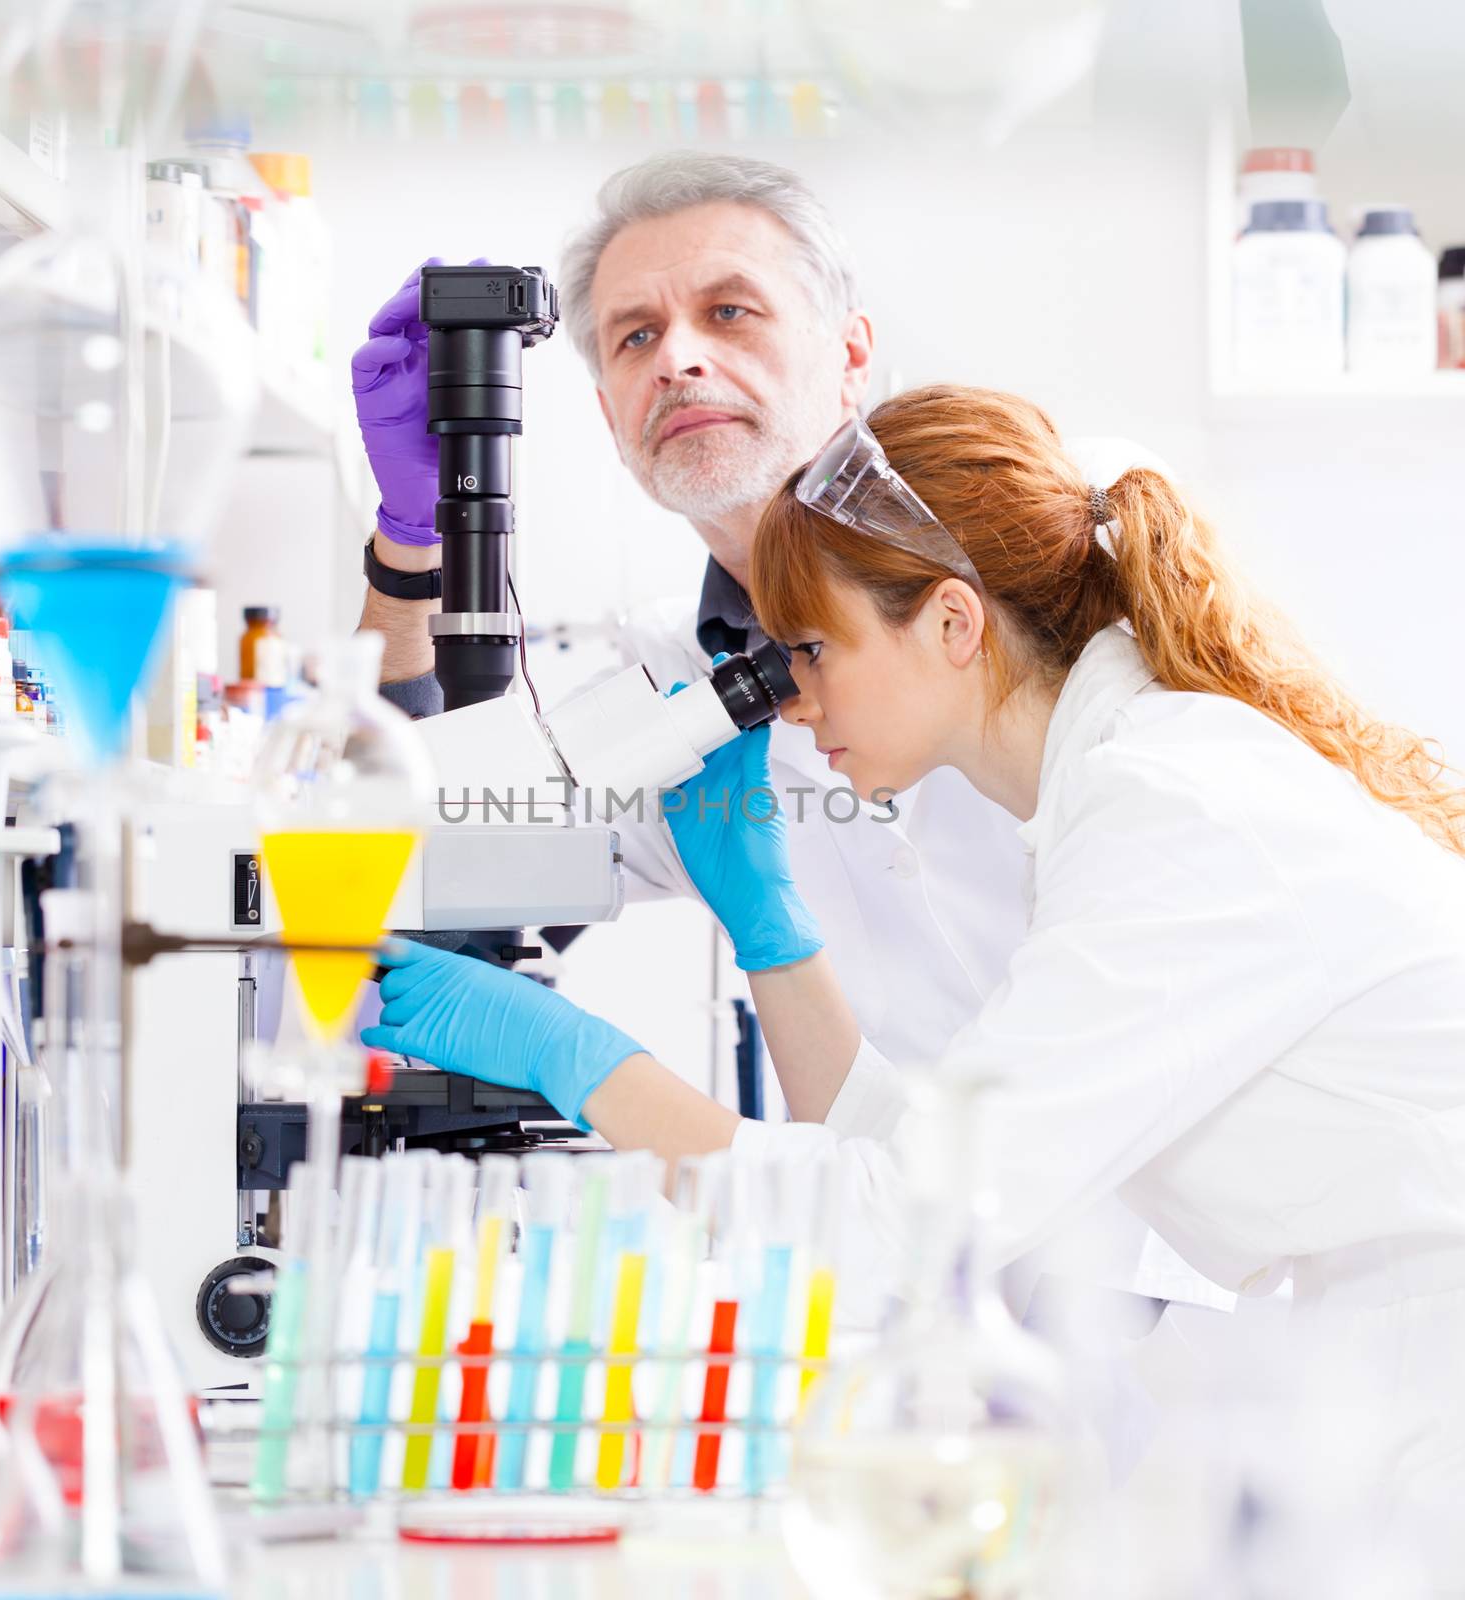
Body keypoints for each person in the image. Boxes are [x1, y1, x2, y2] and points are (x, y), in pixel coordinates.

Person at [361, 385, 1465, 1410]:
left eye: (810, 650)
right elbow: (942, 1161)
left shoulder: (1175, 818)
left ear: (951, 622)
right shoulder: (1118, 786)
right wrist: (773, 935)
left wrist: (580, 1059)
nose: (790, 701)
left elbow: (901, 1226)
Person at [351, 151, 1221, 1317]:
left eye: (729, 311)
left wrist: (584, 1060)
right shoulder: (664, 682)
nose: (681, 357)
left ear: (850, 350)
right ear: (608, 415)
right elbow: (428, 853)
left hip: (1183, 1282)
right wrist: (413, 542)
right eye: (633, 337)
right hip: (905, 1280)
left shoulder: (1044, 555)